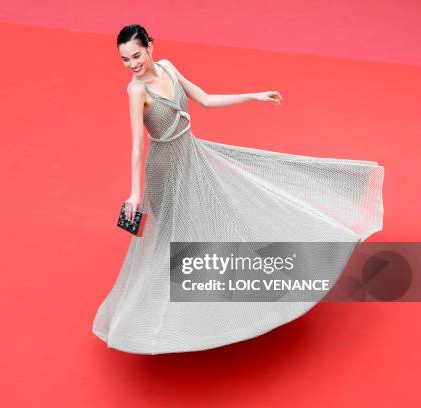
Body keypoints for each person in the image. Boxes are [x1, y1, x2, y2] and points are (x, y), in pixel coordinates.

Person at [92, 24, 384, 355]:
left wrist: (253, 95)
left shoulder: (169, 68)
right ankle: (157, 321)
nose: (132, 64)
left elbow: (205, 100)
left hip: (191, 156)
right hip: (164, 169)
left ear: (150, 48)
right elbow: (135, 146)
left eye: (136, 55)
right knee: (169, 240)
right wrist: (134, 193)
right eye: (125, 59)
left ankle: (210, 304)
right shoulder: (136, 91)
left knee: (210, 222)